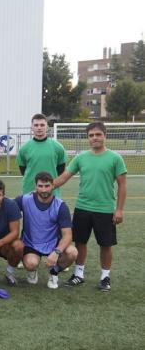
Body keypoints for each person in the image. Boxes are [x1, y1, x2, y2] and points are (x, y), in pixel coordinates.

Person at [53, 122, 127, 291]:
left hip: (105, 209)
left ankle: (105, 277)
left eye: (98, 134)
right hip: (82, 208)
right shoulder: (81, 158)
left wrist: (119, 209)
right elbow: (64, 177)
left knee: (105, 244)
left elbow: (122, 185)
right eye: (91, 135)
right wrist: (46, 187)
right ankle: (79, 274)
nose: (95, 138)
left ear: (105, 135)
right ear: (88, 138)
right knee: (80, 242)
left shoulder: (115, 158)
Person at [15, 172, 78, 289]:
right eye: (40, 186)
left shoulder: (60, 206)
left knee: (72, 252)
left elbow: (68, 235)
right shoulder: (24, 200)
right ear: (35, 186)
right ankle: (32, 271)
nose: (44, 190)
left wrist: (56, 252)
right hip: (31, 243)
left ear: (53, 186)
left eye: (47, 186)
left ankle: (54, 272)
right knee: (30, 264)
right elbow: (5, 205)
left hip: (53, 243)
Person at [16, 113, 67, 196]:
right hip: (29, 191)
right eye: (36, 125)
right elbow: (23, 170)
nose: (39, 128)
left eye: (42, 125)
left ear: (47, 127)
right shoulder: (24, 148)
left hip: (52, 192)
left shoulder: (58, 147)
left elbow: (61, 170)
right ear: (32, 127)